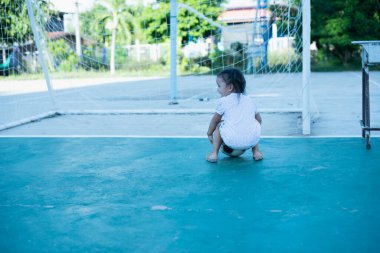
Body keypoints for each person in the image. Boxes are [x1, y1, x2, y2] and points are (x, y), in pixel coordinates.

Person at [206, 68, 263, 163]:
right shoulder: (250, 100)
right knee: (253, 123)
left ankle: (214, 154)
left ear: (230, 87)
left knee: (219, 124)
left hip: (231, 141)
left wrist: (209, 133)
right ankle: (256, 152)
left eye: (219, 86)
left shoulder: (223, 101)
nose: (217, 90)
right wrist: (247, 127)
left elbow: (215, 120)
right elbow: (259, 120)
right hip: (252, 140)